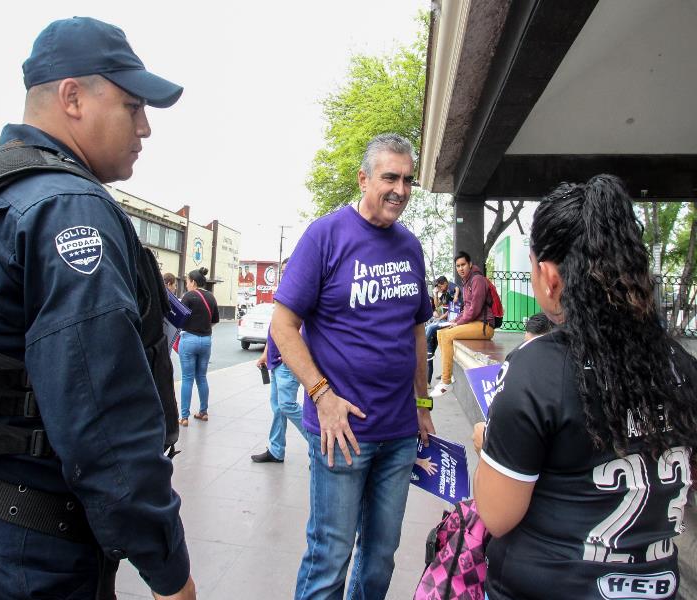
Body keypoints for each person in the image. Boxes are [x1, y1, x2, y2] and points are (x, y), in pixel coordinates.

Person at [0, 17, 195, 600]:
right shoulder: (68, 209)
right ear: (73, 97)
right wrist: (169, 573)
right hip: (26, 560)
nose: (145, 127)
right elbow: (105, 423)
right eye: (133, 105)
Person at [471, 175, 697, 599]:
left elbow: (497, 516)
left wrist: (488, 442)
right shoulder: (682, 366)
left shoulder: (537, 370)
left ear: (549, 275)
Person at [272, 133, 435, 600]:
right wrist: (322, 396)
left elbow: (416, 329)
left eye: (407, 180)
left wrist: (422, 403)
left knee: (381, 559)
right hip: (340, 432)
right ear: (364, 178)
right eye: (390, 177)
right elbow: (284, 326)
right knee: (330, 557)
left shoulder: (410, 247)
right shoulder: (325, 235)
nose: (400, 190)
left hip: (400, 434)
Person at [251, 258, 309, 463]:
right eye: (282, 270)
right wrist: (266, 352)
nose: (284, 273)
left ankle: (317, 443)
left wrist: (293, 348)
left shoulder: (303, 289)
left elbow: (306, 325)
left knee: (287, 405)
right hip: (275, 359)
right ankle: (276, 450)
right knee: (277, 407)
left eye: (288, 269)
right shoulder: (285, 291)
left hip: (288, 360)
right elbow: (274, 325)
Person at [431, 251, 495, 398]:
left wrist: (458, 323)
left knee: (447, 335)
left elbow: (474, 309)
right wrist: (454, 321)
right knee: (441, 332)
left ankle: (446, 381)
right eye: (458, 266)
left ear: (470, 264)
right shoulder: (466, 283)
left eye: (463, 264)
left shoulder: (477, 280)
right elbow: (466, 308)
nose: (460, 268)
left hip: (484, 326)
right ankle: (449, 373)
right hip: (475, 323)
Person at [178, 266, 219, 425]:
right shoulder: (211, 298)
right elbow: (215, 320)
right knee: (201, 377)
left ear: (193, 282)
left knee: (187, 378)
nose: (187, 285)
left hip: (189, 339)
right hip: (206, 341)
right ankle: (203, 412)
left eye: (187, 281)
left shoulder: (188, 296)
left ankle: (184, 417)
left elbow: (179, 318)